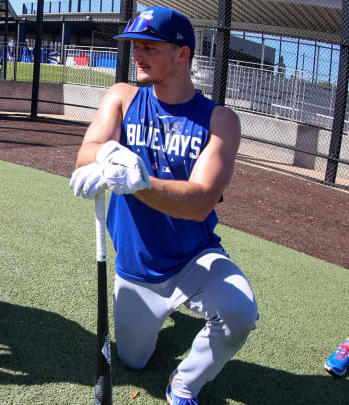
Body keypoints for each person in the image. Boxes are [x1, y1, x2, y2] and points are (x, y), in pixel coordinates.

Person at [69, 7, 258, 404]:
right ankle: (159, 318)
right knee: (134, 361)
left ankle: (184, 384)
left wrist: (139, 182)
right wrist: (107, 157)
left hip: (194, 259)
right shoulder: (122, 97)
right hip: (137, 268)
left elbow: (201, 202)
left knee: (239, 311)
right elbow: (85, 153)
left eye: (149, 47)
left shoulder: (220, 120)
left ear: (182, 54)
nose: (136, 54)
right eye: (134, 46)